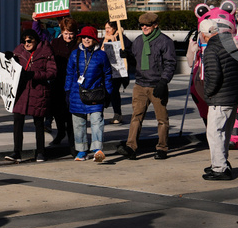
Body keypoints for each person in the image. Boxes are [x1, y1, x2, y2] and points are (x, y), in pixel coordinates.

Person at [120, 12, 176, 160]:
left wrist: (163, 82)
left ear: (155, 25)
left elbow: (170, 64)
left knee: (162, 119)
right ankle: (131, 147)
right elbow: (135, 60)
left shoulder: (165, 42)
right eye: (142, 25)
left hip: (157, 84)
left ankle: (162, 148)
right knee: (136, 117)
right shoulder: (138, 41)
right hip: (140, 84)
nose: (144, 27)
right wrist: (127, 56)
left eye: (147, 25)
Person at [199, 18, 238, 181]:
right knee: (224, 133)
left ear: (204, 35)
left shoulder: (211, 50)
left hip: (219, 98)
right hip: (232, 95)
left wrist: (208, 93)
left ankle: (220, 168)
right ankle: (221, 162)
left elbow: (214, 76)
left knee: (214, 133)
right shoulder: (230, 44)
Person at [7, 28, 56, 163]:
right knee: (18, 121)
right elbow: (10, 69)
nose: (26, 43)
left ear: (36, 40)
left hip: (38, 91)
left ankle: (40, 152)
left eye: (29, 41)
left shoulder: (46, 51)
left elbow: (52, 72)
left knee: (39, 123)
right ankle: (16, 152)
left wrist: (34, 75)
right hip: (21, 91)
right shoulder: (19, 51)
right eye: (24, 41)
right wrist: (8, 58)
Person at [64, 26, 112, 162]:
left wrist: (108, 93)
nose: (86, 39)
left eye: (89, 37)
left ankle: (97, 150)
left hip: (96, 93)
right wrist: (67, 92)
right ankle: (82, 151)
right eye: (84, 37)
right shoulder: (74, 54)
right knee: (78, 123)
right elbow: (69, 75)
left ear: (95, 39)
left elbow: (107, 75)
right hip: (76, 93)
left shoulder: (102, 55)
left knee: (97, 121)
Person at [33, 14, 79, 147]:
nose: (68, 36)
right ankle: (60, 133)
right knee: (56, 111)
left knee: (70, 113)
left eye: (70, 33)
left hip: (73, 84)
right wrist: (36, 22)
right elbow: (40, 38)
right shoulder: (55, 43)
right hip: (58, 81)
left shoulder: (78, 45)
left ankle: (72, 140)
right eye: (66, 33)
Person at [101, 21, 132, 125]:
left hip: (116, 71)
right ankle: (99, 113)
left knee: (114, 92)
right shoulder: (104, 38)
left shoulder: (122, 39)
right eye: (105, 28)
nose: (107, 30)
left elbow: (128, 51)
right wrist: (106, 39)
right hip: (105, 70)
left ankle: (117, 114)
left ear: (115, 28)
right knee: (103, 92)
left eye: (109, 27)